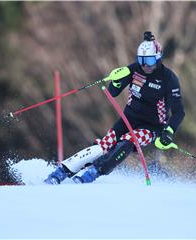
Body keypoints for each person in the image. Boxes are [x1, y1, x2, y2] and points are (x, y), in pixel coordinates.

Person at [45, 31, 185, 184]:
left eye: (150, 61)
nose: (145, 65)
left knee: (128, 141)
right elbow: (113, 92)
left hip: (151, 127)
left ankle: (93, 172)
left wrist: (169, 131)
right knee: (104, 145)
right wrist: (117, 81)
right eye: (141, 60)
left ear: (158, 58)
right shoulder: (134, 69)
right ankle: (61, 172)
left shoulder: (169, 79)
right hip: (127, 120)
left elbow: (179, 112)